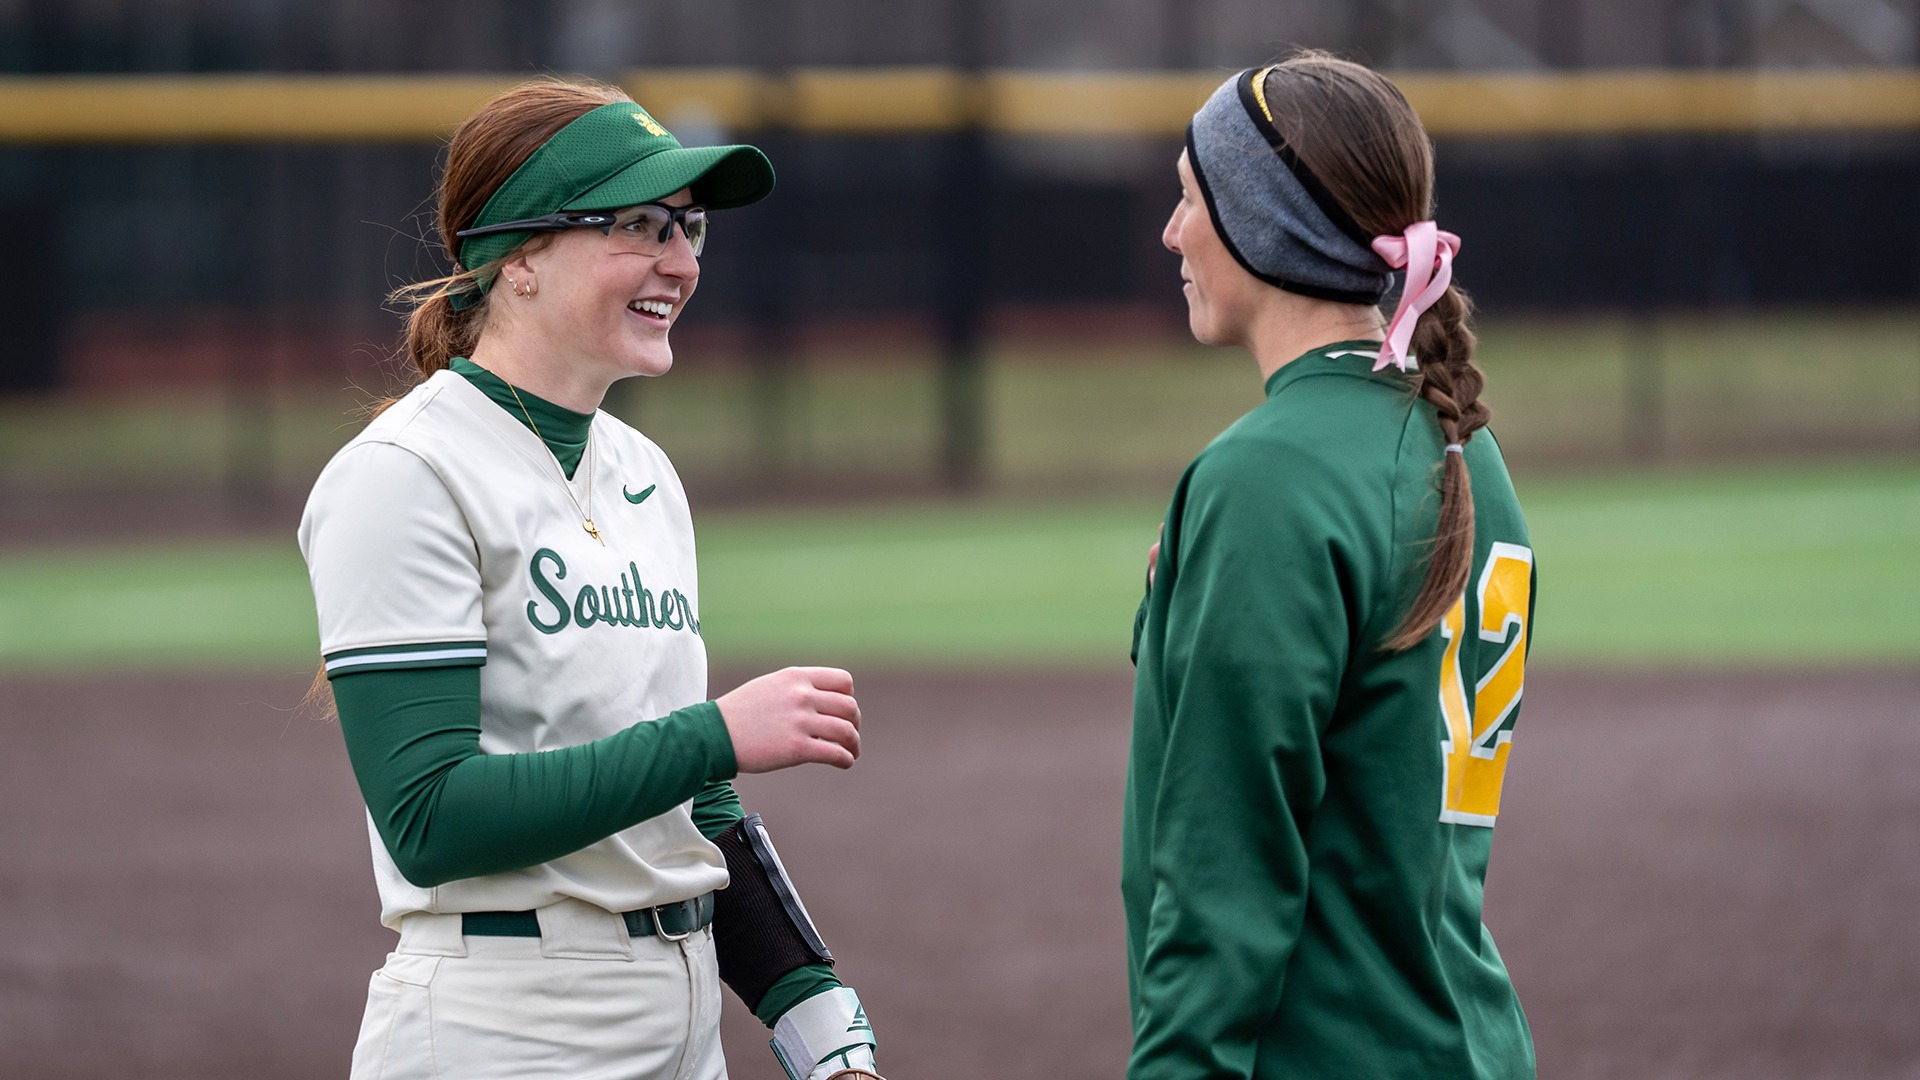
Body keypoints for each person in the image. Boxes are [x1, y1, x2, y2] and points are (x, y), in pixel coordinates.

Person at [298, 77, 886, 1080]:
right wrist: (717, 733)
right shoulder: (407, 472)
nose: (681, 261)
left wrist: (813, 1011)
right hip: (505, 1028)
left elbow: (687, 806)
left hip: (679, 1018)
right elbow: (430, 818)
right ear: (517, 256)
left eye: (689, 227)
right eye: (639, 226)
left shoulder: (644, 473)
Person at [1125, 53, 1536, 1080]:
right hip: (1466, 1044)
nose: (1172, 232)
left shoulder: (1264, 479)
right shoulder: (1462, 447)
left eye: (1189, 197)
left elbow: (1225, 876)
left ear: (1264, 225)